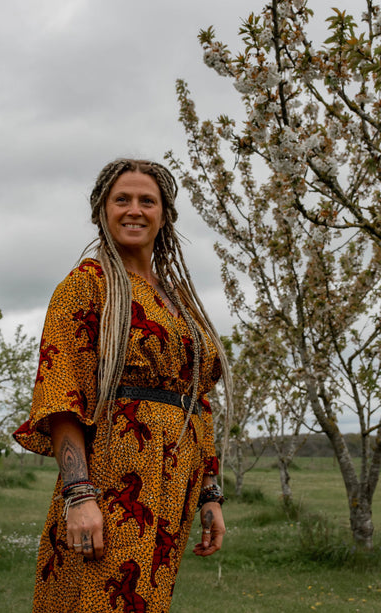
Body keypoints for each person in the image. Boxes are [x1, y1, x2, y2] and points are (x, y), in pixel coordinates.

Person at [14, 158, 232, 613]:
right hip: (113, 480)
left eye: (146, 201)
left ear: (164, 215)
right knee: (96, 599)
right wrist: (79, 496)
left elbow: (199, 399)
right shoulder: (86, 285)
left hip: (174, 486)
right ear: (102, 211)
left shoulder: (179, 299)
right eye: (122, 200)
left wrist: (210, 494)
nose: (134, 210)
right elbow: (61, 394)